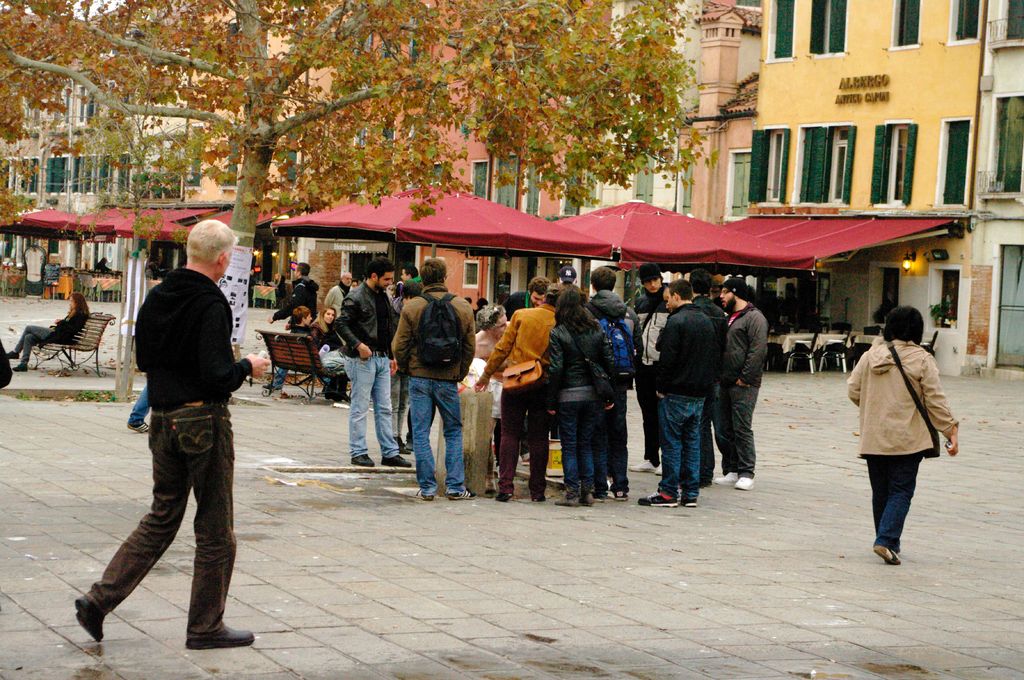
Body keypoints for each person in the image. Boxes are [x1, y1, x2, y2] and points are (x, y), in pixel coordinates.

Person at [73, 219, 271, 650]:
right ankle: (205, 627)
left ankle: (98, 600)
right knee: (215, 529)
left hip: (162, 418)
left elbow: (144, 359)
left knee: (161, 518)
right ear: (223, 259)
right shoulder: (210, 302)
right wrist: (247, 366)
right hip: (202, 420)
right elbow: (217, 375)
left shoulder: (158, 296)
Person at [847, 306, 959, 566]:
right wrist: (950, 429)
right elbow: (934, 400)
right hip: (907, 438)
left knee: (881, 491)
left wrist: (874, 407)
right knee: (901, 490)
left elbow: (853, 389)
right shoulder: (922, 359)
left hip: (874, 436)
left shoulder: (870, 356)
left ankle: (888, 541)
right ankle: (886, 540)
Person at [392, 258, 477, 500]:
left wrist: (408, 367)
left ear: (423, 279)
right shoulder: (462, 306)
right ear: (444, 277)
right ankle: (455, 486)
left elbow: (399, 345)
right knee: (453, 431)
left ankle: (428, 487)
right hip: (448, 377)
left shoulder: (413, 307)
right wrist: (460, 371)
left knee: (420, 432)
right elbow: (469, 346)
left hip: (419, 376)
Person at [638, 279, 717, 508]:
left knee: (672, 443)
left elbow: (667, 358)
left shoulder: (676, 321)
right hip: (699, 391)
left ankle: (668, 491)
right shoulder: (706, 320)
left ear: (676, 296)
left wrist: (661, 388)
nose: (667, 304)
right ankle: (690, 492)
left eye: (668, 299)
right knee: (692, 442)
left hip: (676, 390)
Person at [475, 278, 556, 502]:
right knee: (539, 437)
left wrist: (486, 375)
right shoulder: (559, 321)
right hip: (542, 382)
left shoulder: (521, 315)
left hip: (515, 381)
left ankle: (505, 487)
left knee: (509, 434)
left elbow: (502, 349)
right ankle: (537, 491)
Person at [336, 257, 410, 468]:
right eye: (386, 279)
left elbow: (387, 327)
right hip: (363, 358)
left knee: (385, 407)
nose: (390, 283)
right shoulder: (356, 296)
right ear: (374, 276)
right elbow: (341, 323)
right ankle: (358, 451)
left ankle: (389, 452)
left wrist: (391, 355)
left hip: (381, 357)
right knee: (360, 407)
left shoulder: (383, 295)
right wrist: (358, 345)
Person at [546, 285, 615, 507]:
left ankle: (572, 493)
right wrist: (608, 392)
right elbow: (608, 360)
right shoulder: (596, 328)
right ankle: (587, 491)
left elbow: (556, 368)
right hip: (593, 394)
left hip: (568, 395)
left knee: (569, 444)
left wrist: (551, 399)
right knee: (586, 443)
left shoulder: (558, 332)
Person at [586, 266, 640, 501]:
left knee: (597, 433)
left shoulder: (587, 312)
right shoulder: (629, 313)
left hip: (596, 382)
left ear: (593, 285)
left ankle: (600, 486)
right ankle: (620, 486)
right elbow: (637, 348)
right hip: (621, 382)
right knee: (619, 434)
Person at [715, 277, 768, 491]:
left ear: (735, 293)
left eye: (725, 292)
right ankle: (732, 468)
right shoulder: (729, 317)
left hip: (744, 383)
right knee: (724, 428)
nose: (721, 296)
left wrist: (745, 377)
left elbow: (757, 350)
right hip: (725, 380)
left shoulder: (754, 318)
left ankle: (746, 471)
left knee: (742, 428)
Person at [689, 268, 729, 487]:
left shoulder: (691, 311)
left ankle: (699, 470)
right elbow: (724, 346)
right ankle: (708, 470)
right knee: (709, 423)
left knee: (696, 423)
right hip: (714, 374)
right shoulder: (719, 313)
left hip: (694, 373)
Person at [632, 263, 669, 473]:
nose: (652, 284)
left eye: (655, 280)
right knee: (648, 414)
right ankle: (651, 457)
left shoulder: (668, 300)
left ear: (661, 279)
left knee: (664, 414)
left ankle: (666, 458)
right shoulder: (641, 303)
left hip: (660, 365)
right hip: (642, 366)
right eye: (648, 281)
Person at [8, 292, 90, 372]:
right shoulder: (74, 312)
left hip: (59, 335)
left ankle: (15, 352)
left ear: (77, 302)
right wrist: (62, 322)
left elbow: (74, 329)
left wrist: (62, 322)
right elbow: (68, 324)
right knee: (28, 337)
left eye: (71, 301)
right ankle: (23, 364)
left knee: (28, 328)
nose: (70, 303)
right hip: (57, 333)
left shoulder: (81, 314)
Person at [475, 305, 509, 483]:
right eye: (501, 326)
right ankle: (489, 474)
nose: (506, 327)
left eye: (505, 322)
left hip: (511, 384)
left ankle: (505, 473)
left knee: (508, 434)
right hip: (490, 386)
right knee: (486, 434)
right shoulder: (478, 343)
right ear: (489, 328)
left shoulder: (512, 331)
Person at [390, 280, 422, 452]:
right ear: (405, 297)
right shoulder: (394, 312)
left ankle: (398, 436)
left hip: (409, 362)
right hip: (394, 361)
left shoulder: (416, 313)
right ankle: (393, 436)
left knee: (404, 402)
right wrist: (392, 356)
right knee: (394, 402)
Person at [266, 306, 314, 397]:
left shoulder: (293, 332)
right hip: (305, 363)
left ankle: (276, 384)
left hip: (288, 361)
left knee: (287, 358)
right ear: (303, 319)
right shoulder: (307, 335)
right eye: (309, 316)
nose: (311, 318)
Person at [311, 305, 349, 403]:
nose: (331, 317)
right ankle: (340, 392)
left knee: (345, 360)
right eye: (328, 314)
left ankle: (333, 390)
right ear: (322, 315)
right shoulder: (317, 328)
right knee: (346, 363)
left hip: (328, 358)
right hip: (321, 361)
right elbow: (315, 346)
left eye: (333, 315)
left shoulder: (331, 328)